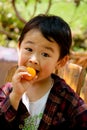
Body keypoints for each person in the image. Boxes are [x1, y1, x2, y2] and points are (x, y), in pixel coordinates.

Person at [0, 14, 87, 130]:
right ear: (19, 47)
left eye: (45, 54)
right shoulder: (7, 92)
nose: (34, 59)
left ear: (60, 61)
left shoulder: (66, 98)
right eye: (29, 49)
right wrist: (15, 96)